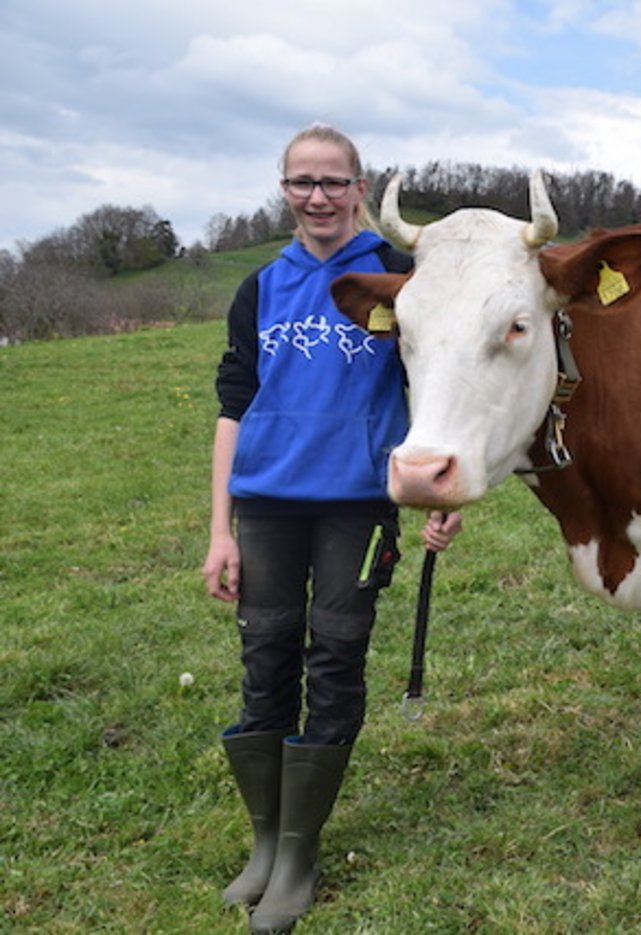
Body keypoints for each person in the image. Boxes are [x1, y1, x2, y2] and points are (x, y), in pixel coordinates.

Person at [201, 123, 461, 932]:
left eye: (332, 181)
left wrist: (442, 488)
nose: (318, 197)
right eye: (301, 182)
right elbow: (233, 404)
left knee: (336, 651)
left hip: (359, 500)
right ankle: (266, 842)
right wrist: (220, 528)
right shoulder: (260, 288)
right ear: (283, 189)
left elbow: (436, 380)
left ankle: (302, 849)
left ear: (358, 185)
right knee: (266, 650)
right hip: (268, 500)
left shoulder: (396, 273)